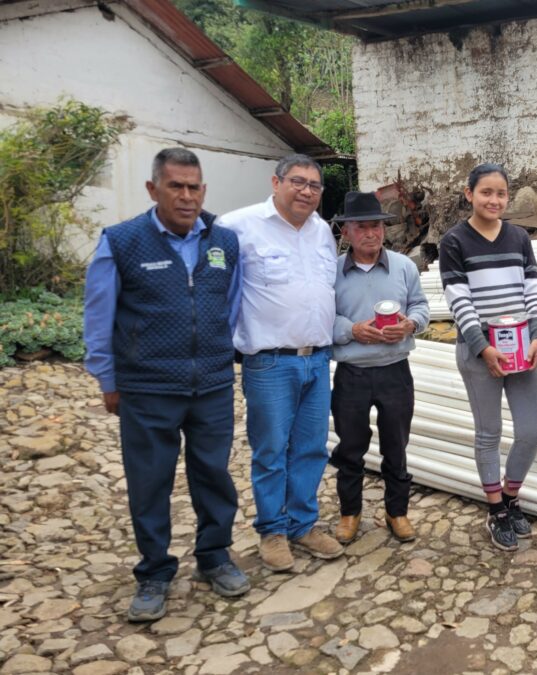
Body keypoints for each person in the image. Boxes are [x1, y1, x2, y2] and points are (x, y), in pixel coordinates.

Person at [84, 147, 249, 621]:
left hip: (212, 384)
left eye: (194, 187)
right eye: (175, 186)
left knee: (214, 476)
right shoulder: (122, 242)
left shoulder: (224, 241)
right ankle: (155, 572)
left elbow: (229, 307)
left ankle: (214, 556)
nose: (186, 196)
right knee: (150, 482)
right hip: (148, 387)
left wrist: (219, 353)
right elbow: (99, 317)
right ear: (153, 189)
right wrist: (108, 379)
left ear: (204, 191)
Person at [219, 154, 344, 571]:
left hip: (317, 360)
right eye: (298, 181)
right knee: (271, 451)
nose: (307, 191)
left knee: (310, 448)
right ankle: (272, 530)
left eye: (314, 185)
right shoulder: (238, 227)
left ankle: (303, 525)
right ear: (276, 182)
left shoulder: (323, 232)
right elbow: (216, 286)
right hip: (269, 363)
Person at [439, 164, 537, 552]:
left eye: (501, 193)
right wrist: (482, 348)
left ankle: (511, 494)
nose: (494, 200)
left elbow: (534, 289)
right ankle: (497, 509)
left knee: (531, 431)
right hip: (478, 350)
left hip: (522, 349)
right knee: (489, 434)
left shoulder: (518, 237)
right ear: (469, 194)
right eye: (486, 192)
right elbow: (459, 301)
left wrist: (536, 336)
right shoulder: (454, 241)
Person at [329, 191, 429, 545]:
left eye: (376, 226)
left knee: (396, 446)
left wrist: (410, 325)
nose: (371, 234)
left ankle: (396, 512)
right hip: (352, 374)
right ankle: (349, 513)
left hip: (395, 371)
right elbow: (323, 317)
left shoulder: (403, 266)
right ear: (346, 232)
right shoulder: (333, 272)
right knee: (350, 448)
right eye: (362, 228)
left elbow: (421, 306)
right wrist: (351, 330)